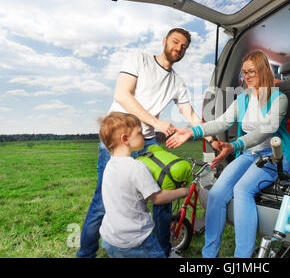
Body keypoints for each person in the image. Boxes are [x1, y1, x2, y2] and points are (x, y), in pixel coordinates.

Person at [77, 28, 210, 258]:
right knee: (102, 201)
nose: (178, 48)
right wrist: (157, 123)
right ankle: (86, 254)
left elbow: (189, 113)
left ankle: (164, 250)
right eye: (175, 42)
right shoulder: (139, 59)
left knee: (163, 192)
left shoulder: (178, 82)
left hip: (146, 140)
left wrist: (208, 135)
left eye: (184, 47)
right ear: (164, 41)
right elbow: (122, 94)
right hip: (120, 138)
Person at [166, 50, 290, 258]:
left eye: (251, 71)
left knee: (243, 189)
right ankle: (209, 255)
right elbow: (222, 122)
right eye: (244, 72)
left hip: (274, 155)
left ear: (263, 70)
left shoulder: (280, 99)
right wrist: (192, 131)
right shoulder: (243, 99)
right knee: (217, 194)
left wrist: (234, 146)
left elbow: (265, 131)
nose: (247, 76)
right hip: (249, 154)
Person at [97, 112, 189, 258]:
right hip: (136, 239)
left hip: (110, 238)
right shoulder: (137, 167)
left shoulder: (109, 165)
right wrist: (184, 191)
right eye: (140, 133)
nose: (144, 137)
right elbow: (157, 198)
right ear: (125, 139)